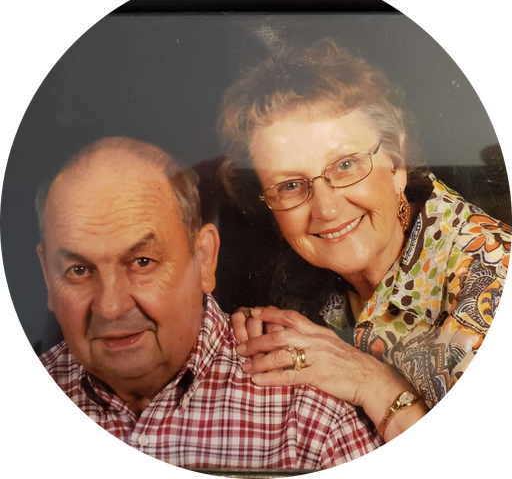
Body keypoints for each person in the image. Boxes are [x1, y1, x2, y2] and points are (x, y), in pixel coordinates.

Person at [219, 38, 511, 442]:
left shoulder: (493, 272)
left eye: (345, 165)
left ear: (396, 164)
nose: (326, 209)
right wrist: (252, 333)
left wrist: (375, 385)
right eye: (290, 185)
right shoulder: (297, 275)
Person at [36, 136, 383, 469]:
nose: (110, 307)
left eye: (142, 262)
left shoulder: (316, 418)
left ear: (204, 258)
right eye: (78, 270)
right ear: (48, 278)